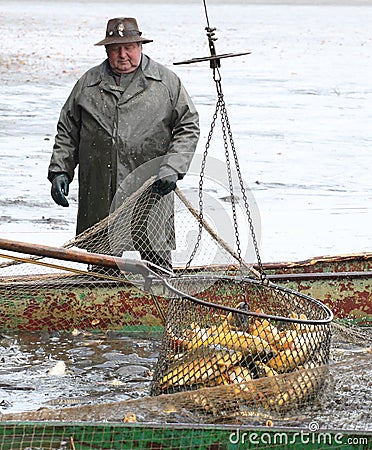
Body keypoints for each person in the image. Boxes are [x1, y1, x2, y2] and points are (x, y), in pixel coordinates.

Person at [48, 17, 200, 271]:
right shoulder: (88, 83)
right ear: (106, 50)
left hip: (152, 189)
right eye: (116, 48)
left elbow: (188, 126)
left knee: (158, 267)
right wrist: (60, 170)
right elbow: (68, 130)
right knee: (102, 269)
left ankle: (160, 303)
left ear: (140, 47)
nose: (123, 54)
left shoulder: (166, 82)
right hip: (100, 189)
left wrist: (173, 167)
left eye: (129, 47)